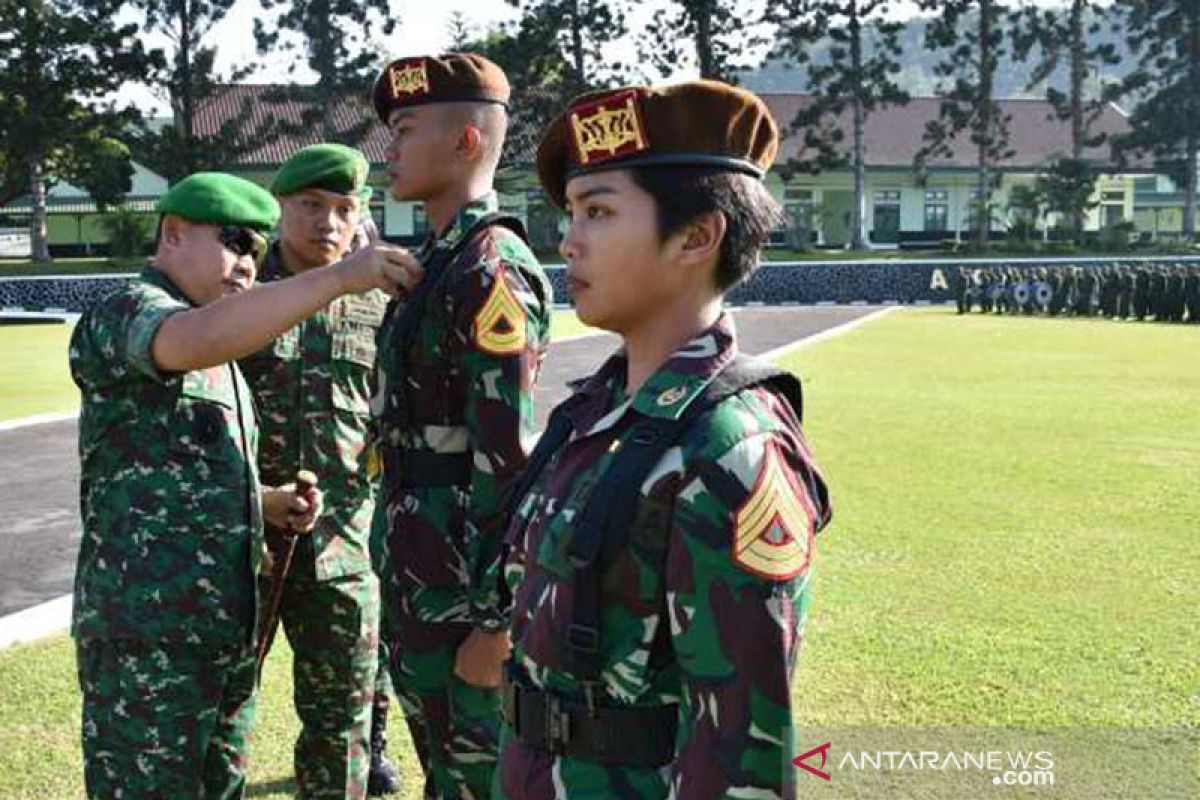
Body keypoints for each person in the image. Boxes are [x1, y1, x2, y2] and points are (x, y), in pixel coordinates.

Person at [493, 80, 833, 800]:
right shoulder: (595, 415)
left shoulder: (729, 449)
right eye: (572, 213)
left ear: (696, 236)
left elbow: (743, 745)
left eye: (599, 212)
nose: (569, 238)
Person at [69, 172, 421, 799]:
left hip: (222, 628)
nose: (246, 263)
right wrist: (340, 276)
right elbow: (186, 343)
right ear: (173, 234)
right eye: (233, 240)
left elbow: (176, 469)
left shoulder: (221, 350)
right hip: (150, 633)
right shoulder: (131, 308)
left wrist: (263, 504)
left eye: (257, 251)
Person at [369, 53, 553, 799]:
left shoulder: (490, 270)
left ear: (466, 142)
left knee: (484, 777)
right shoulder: (439, 261)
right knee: (445, 772)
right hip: (421, 573)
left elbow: (509, 460)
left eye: (406, 130)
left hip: (460, 591)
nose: (390, 150)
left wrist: (498, 621)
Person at [238, 144, 402, 798]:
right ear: (280, 207)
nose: (328, 223)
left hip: (346, 543)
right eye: (310, 206)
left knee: (343, 726)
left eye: (344, 207)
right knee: (221, 710)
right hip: (245, 540)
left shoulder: (382, 300)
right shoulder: (238, 288)